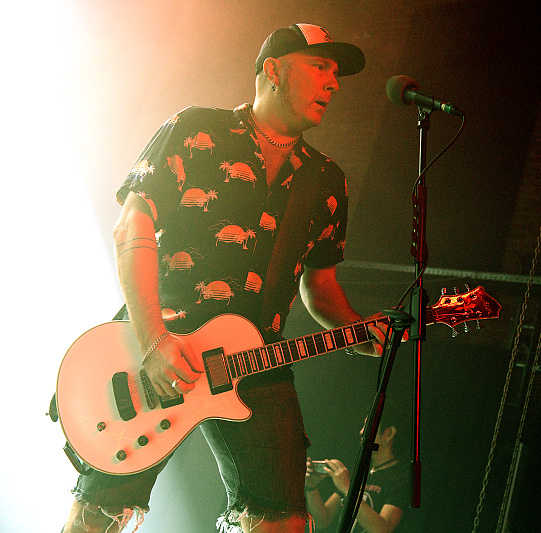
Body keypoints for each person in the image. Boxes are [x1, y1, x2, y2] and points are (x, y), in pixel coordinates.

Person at [62, 23, 384, 533]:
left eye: (336, 74)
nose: (333, 82)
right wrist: (154, 340)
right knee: (97, 515)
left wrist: (360, 330)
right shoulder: (196, 129)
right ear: (273, 70)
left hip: (258, 359)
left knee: (282, 521)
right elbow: (132, 225)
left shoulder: (326, 179)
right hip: (163, 338)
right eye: (320, 66)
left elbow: (319, 288)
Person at [304, 408, 412, 533]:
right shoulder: (359, 471)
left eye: (368, 425)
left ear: (389, 433)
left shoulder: (401, 478)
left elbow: (382, 530)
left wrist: (348, 489)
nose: (361, 432)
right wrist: (311, 488)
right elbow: (323, 521)